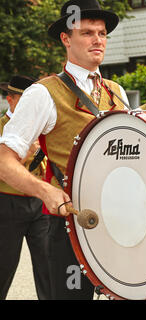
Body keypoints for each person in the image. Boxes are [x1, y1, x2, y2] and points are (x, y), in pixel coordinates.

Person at [0, 0, 129, 300]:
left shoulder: (117, 92)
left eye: (102, 33)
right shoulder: (42, 93)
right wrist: (45, 192)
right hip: (71, 227)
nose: (97, 39)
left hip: (119, 224)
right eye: (87, 32)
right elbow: (5, 161)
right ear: (66, 39)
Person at [0, 75, 50, 300]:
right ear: (10, 99)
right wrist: (23, 155)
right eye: (24, 99)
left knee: (48, 266)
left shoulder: (40, 127)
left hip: (38, 202)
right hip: (7, 202)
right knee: (4, 266)